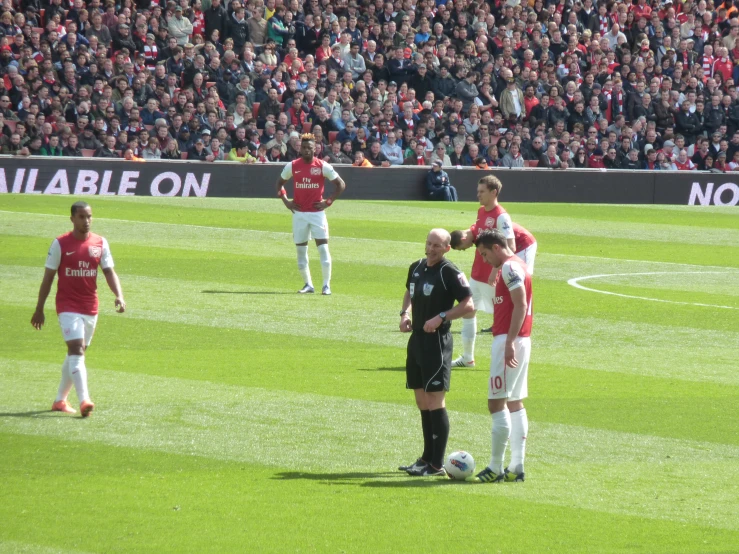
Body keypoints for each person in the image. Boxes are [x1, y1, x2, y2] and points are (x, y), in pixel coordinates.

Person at [30, 202, 126, 417]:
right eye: (82, 217)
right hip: (67, 306)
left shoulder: (100, 243)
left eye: (89, 216)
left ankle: (59, 400)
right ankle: (85, 400)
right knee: (76, 350)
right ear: (72, 219)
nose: (87, 221)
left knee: (77, 354)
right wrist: (39, 308)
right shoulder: (60, 244)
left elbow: (109, 272)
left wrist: (119, 295)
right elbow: (48, 277)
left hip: (90, 306)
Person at [398, 229, 474, 477]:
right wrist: (405, 314)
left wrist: (442, 317)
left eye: (437, 246)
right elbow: (410, 290)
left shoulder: (449, 272)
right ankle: (425, 458)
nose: (431, 249)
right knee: (421, 401)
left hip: (437, 343)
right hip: (417, 340)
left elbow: (468, 305)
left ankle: (437, 464)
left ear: (447, 248)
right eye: (429, 243)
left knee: (435, 401)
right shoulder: (417, 266)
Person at [469, 229, 533, 484]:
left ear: (496, 248)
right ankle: (517, 466)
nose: (484, 260)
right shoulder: (519, 265)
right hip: (521, 339)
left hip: (509, 339)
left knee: (496, 403)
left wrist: (508, 342)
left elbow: (520, 304)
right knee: (515, 402)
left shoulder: (509, 268)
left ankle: (495, 467)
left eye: (485, 254)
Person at [447, 176, 516, 367]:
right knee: (468, 312)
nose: (478, 195)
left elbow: (511, 247)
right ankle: (468, 357)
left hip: (494, 278)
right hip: (477, 274)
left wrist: (496, 269)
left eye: (482, 192)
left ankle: (506, 359)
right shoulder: (480, 211)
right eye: (478, 191)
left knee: (502, 318)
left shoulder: (501, 216)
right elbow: (476, 233)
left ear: (494, 192)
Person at [275, 133, 346, 295]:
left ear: (316, 149)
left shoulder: (322, 166)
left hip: (317, 214)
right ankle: (308, 284)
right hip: (299, 214)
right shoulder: (293, 165)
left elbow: (340, 185)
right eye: (304, 147)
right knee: (301, 251)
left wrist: (327, 202)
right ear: (300, 148)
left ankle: (326, 285)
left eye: (309, 148)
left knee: (323, 249)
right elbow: (279, 183)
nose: (306, 150)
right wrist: (287, 202)